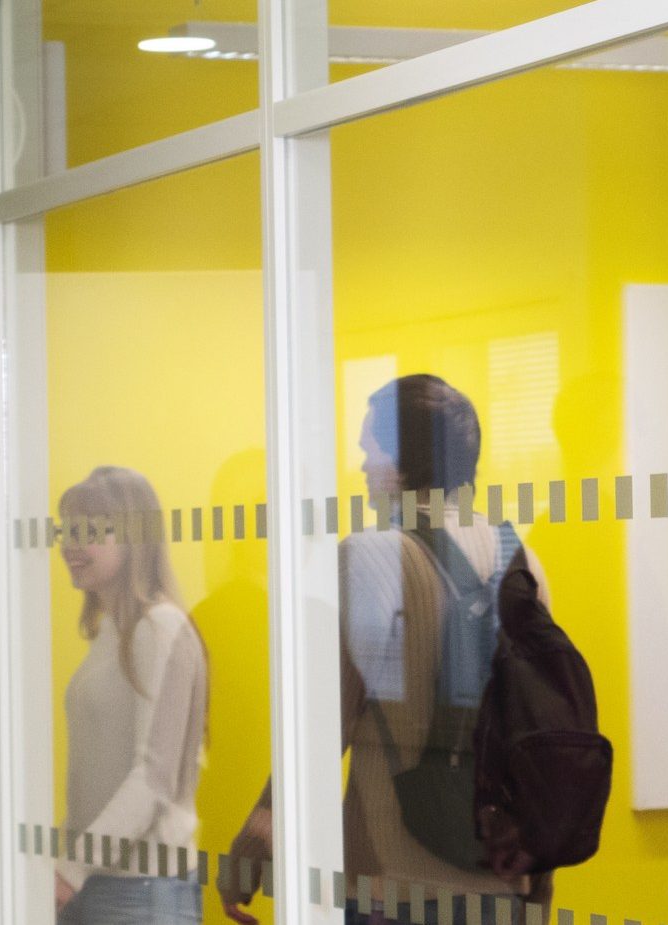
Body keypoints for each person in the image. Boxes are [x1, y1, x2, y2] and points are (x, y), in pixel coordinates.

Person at [220, 374, 556, 925]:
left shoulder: (367, 557)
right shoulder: (520, 559)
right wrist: (540, 876)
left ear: (401, 462)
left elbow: (322, 727)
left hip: (393, 883)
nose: (361, 467)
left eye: (368, 449)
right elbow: (538, 726)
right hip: (501, 881)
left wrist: (257, 838)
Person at [55, 465, 211, 925]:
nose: (70, 545)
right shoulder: (113, 632)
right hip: (100, 885)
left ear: (133, 539)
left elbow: (154, 779)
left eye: (87, 531)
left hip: (141, 894)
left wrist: (71, 870)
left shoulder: (158, 628)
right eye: (67, 530)